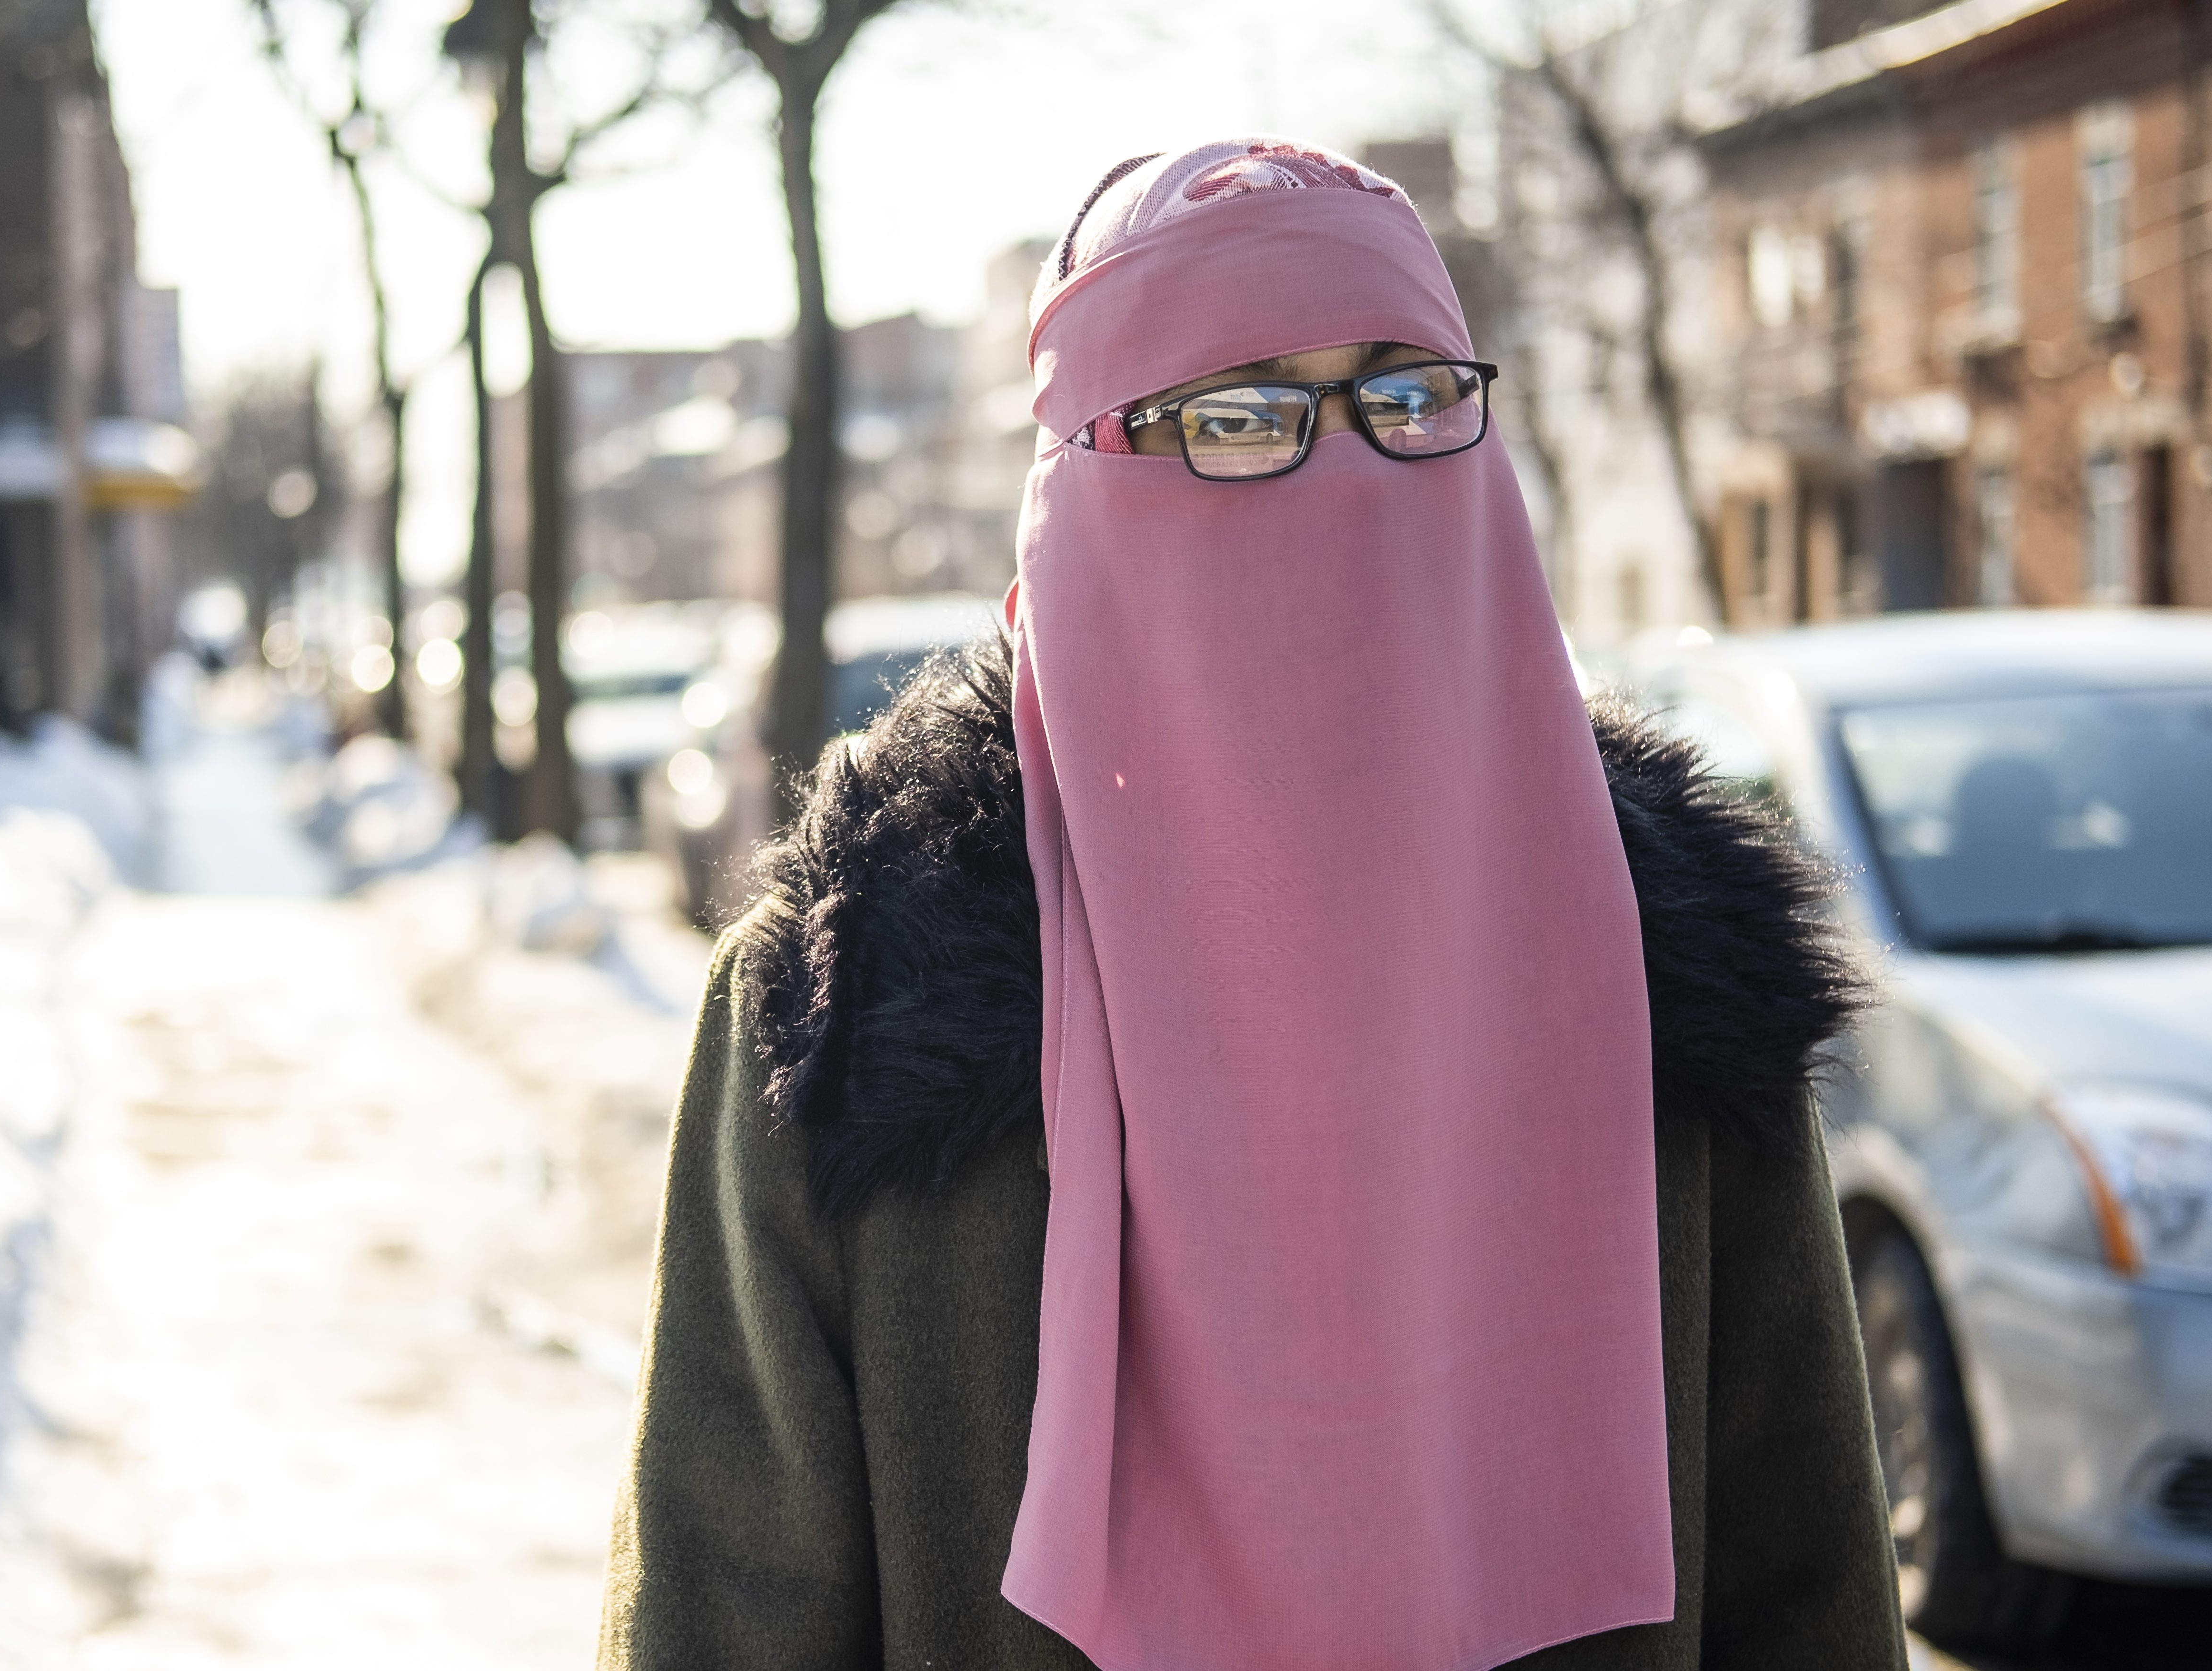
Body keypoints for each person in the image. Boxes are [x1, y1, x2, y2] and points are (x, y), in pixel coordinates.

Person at [598, 139, 1903, 1671]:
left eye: (1409, 394)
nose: (1347, 465)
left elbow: (1803, 1579)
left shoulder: (1671, 972)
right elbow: (726, 1608)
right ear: (1081, 470)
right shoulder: (855, 1009)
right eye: (1237, 413)